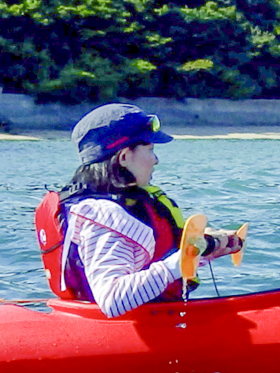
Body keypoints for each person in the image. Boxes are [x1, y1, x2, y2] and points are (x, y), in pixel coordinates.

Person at [33, 103, 241, 317]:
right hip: (120, 330)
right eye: (150, 149)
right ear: (124, 157)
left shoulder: (109, 208)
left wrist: (207, 250)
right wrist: (186, 257)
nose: (156, 160)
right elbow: (112, 299)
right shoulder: (103, 216)